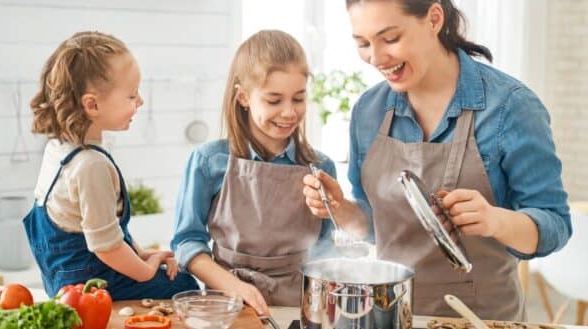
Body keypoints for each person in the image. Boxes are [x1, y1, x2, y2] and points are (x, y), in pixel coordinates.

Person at [303, 0, 572, 320]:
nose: (375, 58)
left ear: (433, 19)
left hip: (481, 319)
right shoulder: (368, 111)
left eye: (390, 39)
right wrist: (342, 210)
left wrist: (495, 220)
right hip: (392, 316)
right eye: (363, 43)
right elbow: (378, 226)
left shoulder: (510, 107)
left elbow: (555, 225)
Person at [170, 30, 347, 315]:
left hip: (301, 304)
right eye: (274, 100)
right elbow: (186, 243)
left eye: (298, 98)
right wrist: (233, 287)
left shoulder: (320, 167)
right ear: (243, 97)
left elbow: (327, 249)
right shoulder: (208, 161)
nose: (289, 112)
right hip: (227, 304)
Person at [24, 31, 198, 300]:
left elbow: (104, 228)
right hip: (93, 286)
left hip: (62, 282)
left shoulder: (57, 149)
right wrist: (146, 270)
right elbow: (106, 247)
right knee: (185, 285)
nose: (140, 101)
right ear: (92, 104)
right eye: (131, 95)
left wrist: (141, 254)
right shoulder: (91, 166)